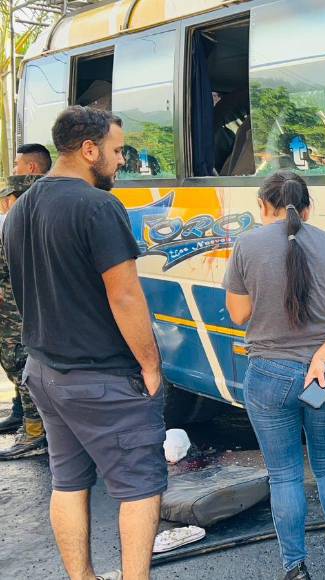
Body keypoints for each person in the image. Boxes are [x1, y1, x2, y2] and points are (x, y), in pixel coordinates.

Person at [3, 106, 166, 580]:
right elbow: (125, 295)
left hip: (45, 373)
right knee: (138, 487)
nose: (121, 161)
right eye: (116, 151)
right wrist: (151, 365)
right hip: (103, 378)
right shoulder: (98, 207)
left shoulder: (20, 210)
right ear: (89, 149)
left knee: (68, 482)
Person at [224, 171, 325, 580]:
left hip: (270, 377)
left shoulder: (246, 246)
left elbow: (239, 314)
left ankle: (295, 569)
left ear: (263, 207)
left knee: (285, 474)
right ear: (307, 209)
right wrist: (322, 356)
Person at [0, 143, 52, 438]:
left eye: (18, 165)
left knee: (20, 359)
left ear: (31, 168)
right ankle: (23, 416)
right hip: (15, 297)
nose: (14, 170)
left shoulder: (34, 196)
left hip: (19, 300)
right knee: (14, 359)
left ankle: (35, 431)